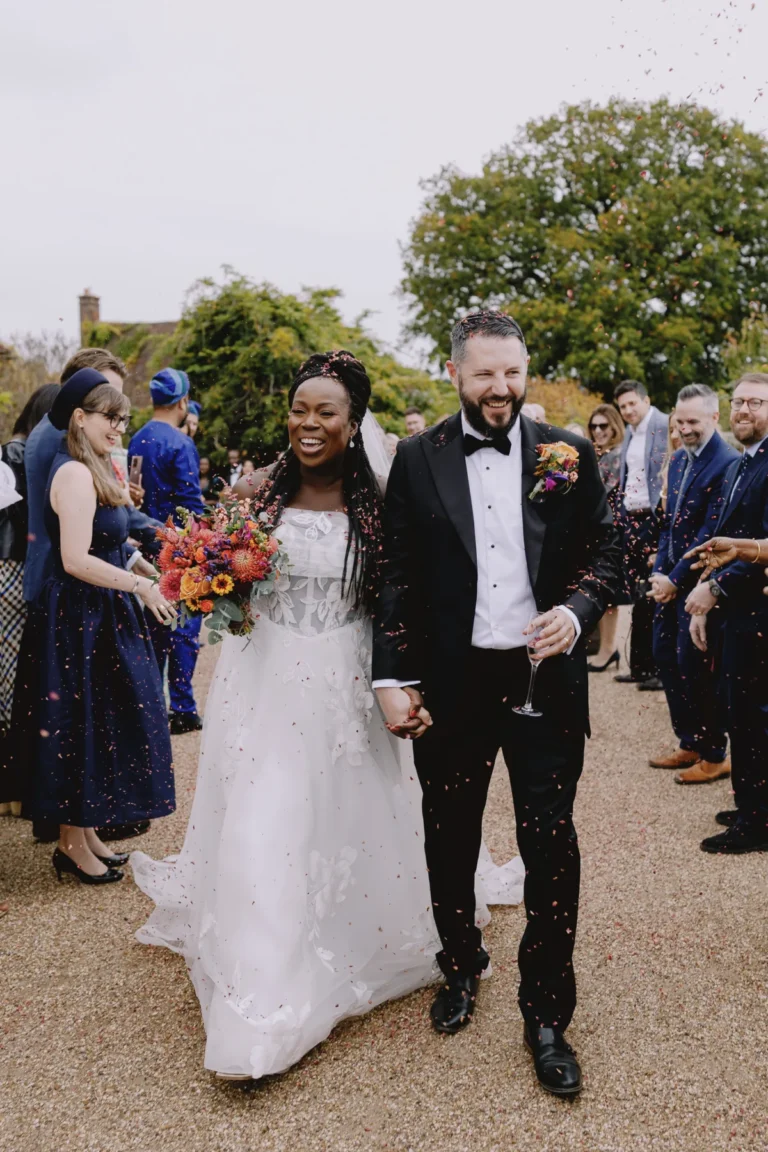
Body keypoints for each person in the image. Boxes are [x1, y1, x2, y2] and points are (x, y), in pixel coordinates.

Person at [131, 350, 524, 1082]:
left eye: (325, 412)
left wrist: (408, 681)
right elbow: (219, 575)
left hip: (345, 682)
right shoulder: (254, 494)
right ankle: (262, 995)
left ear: (353, 422)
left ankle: (352, 942)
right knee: (263, 819)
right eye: (299, 410)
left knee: (348, 815)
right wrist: (209, 585)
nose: (308, 424)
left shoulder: (381, 498)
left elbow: (400, 599)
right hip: (265, 680)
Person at [373, 311, 621, 1097]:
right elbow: (398, 577)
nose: (501, 389)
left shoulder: (568, 452)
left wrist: (579, 609)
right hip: (452, 686)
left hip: (545, 678)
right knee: (448, 834)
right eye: (485, 374)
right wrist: (393, 677)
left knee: (551, 843)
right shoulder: (417, 459)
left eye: (512, 373)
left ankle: (547, 1011)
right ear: (454, 375)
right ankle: (461, 964)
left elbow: (612, 550)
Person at [12, 370, 176, 884]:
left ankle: (85, 835)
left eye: (123, 419)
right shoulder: (75, 475)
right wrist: (139, 587)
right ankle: (68, 844)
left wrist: (142, 564)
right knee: (78, 727)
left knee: (95, 723)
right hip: (77, 616)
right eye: (111, 417)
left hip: (98, 611)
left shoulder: (93, 468)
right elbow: (75, 558)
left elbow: (108, 541)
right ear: (80, 418)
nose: (118, 427)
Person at [683, 373, 768, 854]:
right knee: (741, 713)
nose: (743, 410)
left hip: (760, 611)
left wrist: (714, 589)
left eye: (755, 403)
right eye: (738, 402)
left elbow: (751, 547)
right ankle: (755, 804)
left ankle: (757, 823)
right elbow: (723, 541)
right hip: (736, 611)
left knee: (756, 717)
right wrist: (707, 588)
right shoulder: (742, 465)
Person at [647, 385, 738, 784]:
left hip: (703, 579)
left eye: (693, 422)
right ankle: (689, 740)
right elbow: (673, 522)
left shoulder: (728, 462)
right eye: (679, 421)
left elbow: (711, 529)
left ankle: (715, 752)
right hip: (670, 578)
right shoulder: (681, 460)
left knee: (695, 665)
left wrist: (677, 579)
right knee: (665, 654)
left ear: (714, 419)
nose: (684, 429)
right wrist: (660, 572)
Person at [129, 368, 206, 735]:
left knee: (153, 629)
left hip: (144, 547)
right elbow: (191, 504)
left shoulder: (137, 438)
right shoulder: (179, 443)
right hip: (177, 548)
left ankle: (152, 707)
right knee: (184, 629)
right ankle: (183, 707)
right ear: (182, 401)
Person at [0, 385, 60, 814]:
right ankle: (14, 792)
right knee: (16, 685)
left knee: (10, 683)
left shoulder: (10, 453)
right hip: (15, 570)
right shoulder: (19, 455)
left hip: (10, 569)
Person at [613, 380, 669, 689]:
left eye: (633, 403)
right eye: (623, 406)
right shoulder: (631, 432)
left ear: (646, 400)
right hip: (631, 519)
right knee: (637, 595)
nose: (628, 410)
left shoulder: (663, 424)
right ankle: (639, 666)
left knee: (655, 592)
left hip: (655, 518)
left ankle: (659, 669)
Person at [586, 403, 627, 671]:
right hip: (596, 530)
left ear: (614, 426)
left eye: (603, 425)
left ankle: (608, 649)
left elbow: (600, 493)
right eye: (594, 426)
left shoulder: (617, 456)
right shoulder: (595, 454)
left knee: (609, 594)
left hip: (615, 531)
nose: (598, 431)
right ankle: (605, 648)